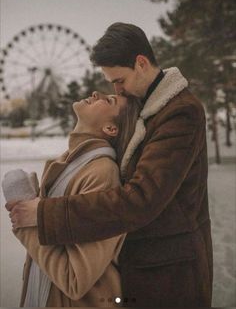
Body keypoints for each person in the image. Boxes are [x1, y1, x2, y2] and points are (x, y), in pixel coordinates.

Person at [7, 22, 213, 307]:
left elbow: (141, 200)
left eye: (119, 81)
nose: (117, 90)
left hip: (168, 273)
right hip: (144, 267)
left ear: (141, 63)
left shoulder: (180, 112)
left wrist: (43, 214)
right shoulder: (144, 106)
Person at [4, 92, 141, 307]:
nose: (96, 93)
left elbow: (75, 280)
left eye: (109, 100)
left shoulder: (102, 174)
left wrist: (26, 227)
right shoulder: (67, 164)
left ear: (110, 129)